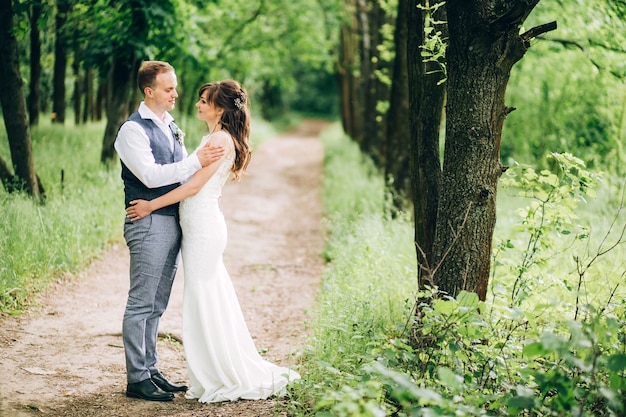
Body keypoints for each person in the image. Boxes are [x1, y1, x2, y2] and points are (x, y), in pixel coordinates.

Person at [125, 79, 301, 403]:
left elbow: (193, 187)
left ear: (219, 107)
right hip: (199, 224)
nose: (197, 105)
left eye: (204, 100)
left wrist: (150, 204)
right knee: (209, 296)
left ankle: (218, 374)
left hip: (203, 227)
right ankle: (212, 370)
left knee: (203, 298)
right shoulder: (215, 137)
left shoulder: (220, 139)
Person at [115, 61, 225, 402]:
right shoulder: (132, 131)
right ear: (150, 92)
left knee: (157, 302)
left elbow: (180, 176)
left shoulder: (171, 125)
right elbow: (151, 175)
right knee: (141, 302)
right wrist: (196, 161)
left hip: (171, 221)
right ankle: (136, 377)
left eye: (174, 88)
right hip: (147, 222)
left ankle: (150, 368)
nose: (176, 94)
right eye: (168, 89)